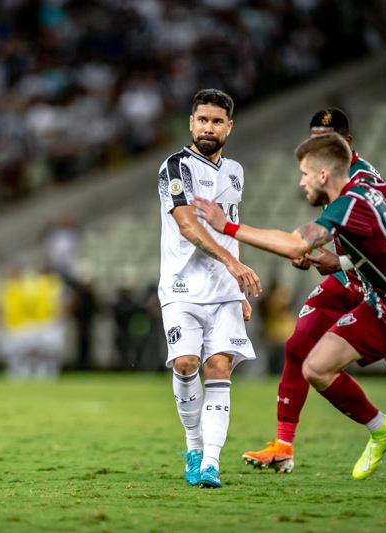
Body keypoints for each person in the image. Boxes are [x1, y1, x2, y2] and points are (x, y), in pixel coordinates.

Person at [192, 132, 386, 503]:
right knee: (315, 365)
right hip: (380, 308)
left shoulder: (347, 206)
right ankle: (381, 429)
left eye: (304, 174)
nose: (301, 182)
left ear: (324, 175)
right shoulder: (366, 191)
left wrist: (227, 226)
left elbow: (297, 242)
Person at [158, 89, 261, 489]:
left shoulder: (235, 170)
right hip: (182, 287)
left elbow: (231, 228)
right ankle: (194, 446)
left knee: (218, 368)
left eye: (217, 121)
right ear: (191, 123)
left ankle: (212, 463)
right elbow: (188, 225)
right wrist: (234, 264)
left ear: (228, 127)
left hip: (223, 292)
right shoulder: (175, 167)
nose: (208, 127)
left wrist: (237, 289)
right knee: (185, 364)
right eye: (202, 120)